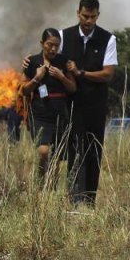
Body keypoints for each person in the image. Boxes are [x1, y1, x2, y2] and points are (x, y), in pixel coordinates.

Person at [60, 0, 118, 205]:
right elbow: (50, 60)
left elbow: (107, 74)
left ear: (98, 16)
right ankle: (73, 199)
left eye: (93, 17)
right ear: (78, 13)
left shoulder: (108, 39)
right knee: (74, 150)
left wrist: (81, 73)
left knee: (94, 150)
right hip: (71, 104)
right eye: (85, 16)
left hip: (96, 104)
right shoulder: (64, 36)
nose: (89, 21)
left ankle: (89, 201)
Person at [22, 28, 77, 184]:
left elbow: (72, 88)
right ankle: (40, 182)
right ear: (42, 43)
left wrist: (61, 77)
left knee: (56, 155)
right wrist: (36, 78)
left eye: (56, 45)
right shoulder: (31, 62)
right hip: (40, 113)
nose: (53, 49)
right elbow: (24, 90)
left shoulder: (64, 61)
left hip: (60, 113)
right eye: (49, 44)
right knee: (43, 151)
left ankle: (50, 188)